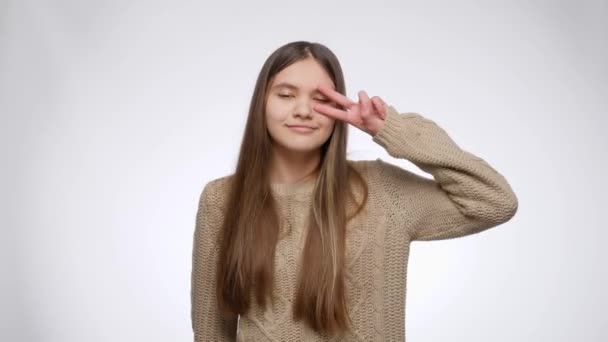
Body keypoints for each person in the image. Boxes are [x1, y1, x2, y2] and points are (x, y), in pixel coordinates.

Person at [190, 41, 518, 341]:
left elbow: (493, 201)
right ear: (261, 104)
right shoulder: (221, 200)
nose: (303, 110)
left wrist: (392, 129)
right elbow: (211, 332)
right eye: (286, 95)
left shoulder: (381, 190)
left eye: (320, 99)